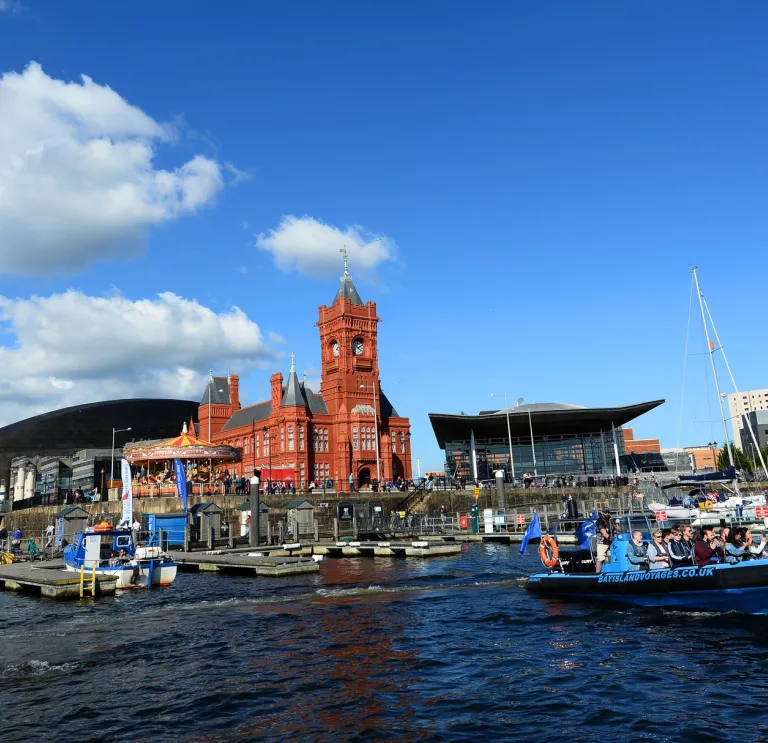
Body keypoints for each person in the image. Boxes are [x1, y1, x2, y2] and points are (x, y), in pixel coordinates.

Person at [595, 507, 615, 573]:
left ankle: (608, 571)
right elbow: (604, 533)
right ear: (602, 512)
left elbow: (617, 528)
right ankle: (597, 573)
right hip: (602, 542)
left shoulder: (611, 519)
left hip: (610, 543)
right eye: (606, 512)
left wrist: (619, 528)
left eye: (608, 512)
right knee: (600, 559)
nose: (607, 514)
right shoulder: (600, 521)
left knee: (609, 557)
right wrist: (611, 538)